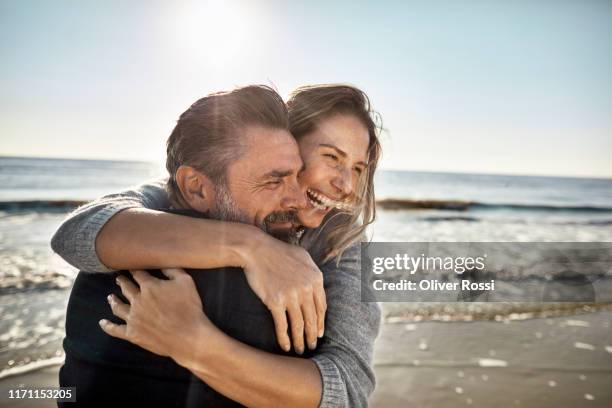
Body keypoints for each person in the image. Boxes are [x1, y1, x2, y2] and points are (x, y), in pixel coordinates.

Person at [52, 83, 383, 407]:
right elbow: (76, 234)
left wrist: (191, 341)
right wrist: (251, 246)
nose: (346, 185)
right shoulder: (180, 194)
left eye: (357, 168)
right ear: (290, 144)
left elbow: (348, 391)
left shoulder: (340, 239)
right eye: (331, 157)